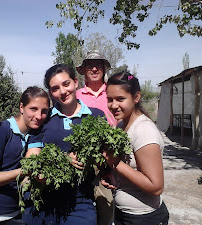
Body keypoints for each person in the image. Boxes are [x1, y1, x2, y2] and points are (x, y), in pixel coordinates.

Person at [23, 64, 105, 225]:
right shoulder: (44, 119)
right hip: (44, 201)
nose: (62, 91)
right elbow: (32, 160)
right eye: (55, 88)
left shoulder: (96, 116)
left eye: (66, 84)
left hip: (81, 202)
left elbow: (104, 157)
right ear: (50, 93)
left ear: (76, 82)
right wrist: (62, 160)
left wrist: (94, 160)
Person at [0, 86, 50, 225]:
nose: (39, 116)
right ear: (21, 107)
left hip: (16, 213)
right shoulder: (0, 131)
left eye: (44, 111)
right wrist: (23, 172)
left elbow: (31, 163)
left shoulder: (35, 132)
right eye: (33, 109)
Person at [102, 71, 169, 225]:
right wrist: (112, 176)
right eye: (110, 99)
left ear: (136, 97)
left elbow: (156, 186)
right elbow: (131, 171)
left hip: (144, 218)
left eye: (120, 99)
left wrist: (116, 164)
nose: (113, 105)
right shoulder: (122, 125)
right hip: (125, 214)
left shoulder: (143, 131)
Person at [76, 50, 116, 225]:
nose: (94, 68)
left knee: (106, 207)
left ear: (104, 68)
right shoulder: (76, 96)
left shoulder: (113, 92)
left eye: (98, 65)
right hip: (80, 159)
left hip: (109, 159)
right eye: (90, 65)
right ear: (84, 69)